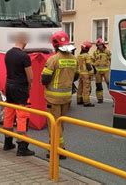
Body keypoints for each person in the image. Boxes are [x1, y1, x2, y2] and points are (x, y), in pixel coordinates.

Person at [42, 31, 78, 159]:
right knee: (61, 123)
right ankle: (59, 147)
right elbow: (76, 76)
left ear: (54, 44)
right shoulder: (74, 59)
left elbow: (45, 78)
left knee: (53, 123)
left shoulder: (53, 59)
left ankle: (57, 150)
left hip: (53, 98)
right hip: (67, 96)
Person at [3, 32, 35, 156]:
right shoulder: (24, 56)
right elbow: (30, 76)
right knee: (22, 116)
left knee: (9, 113)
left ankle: (7, 142)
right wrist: (30, 84)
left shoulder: (8, 53)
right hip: (20, 88)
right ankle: (22, 147)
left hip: (9, 85)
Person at [93, 38, 111, 104]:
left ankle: (114, 99)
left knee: (109, 85)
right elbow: (92, 60)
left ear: (103, 45)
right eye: (97, 45)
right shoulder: (95, 52)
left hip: (106, 71)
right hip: (97, 71)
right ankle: (100, 98)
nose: (98, 46)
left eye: (100, 45)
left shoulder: (107, 51)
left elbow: (111, 59)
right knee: (98, 85)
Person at [77, 41, 95, 107]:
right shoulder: (87, 56)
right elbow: (88, 65)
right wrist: (91, 73)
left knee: (80, 87)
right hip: (86, 74)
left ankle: (79, 100)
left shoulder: (79, 55)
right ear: (87, 48)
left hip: (80, 73)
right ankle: (86, 102)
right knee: (86, 88)